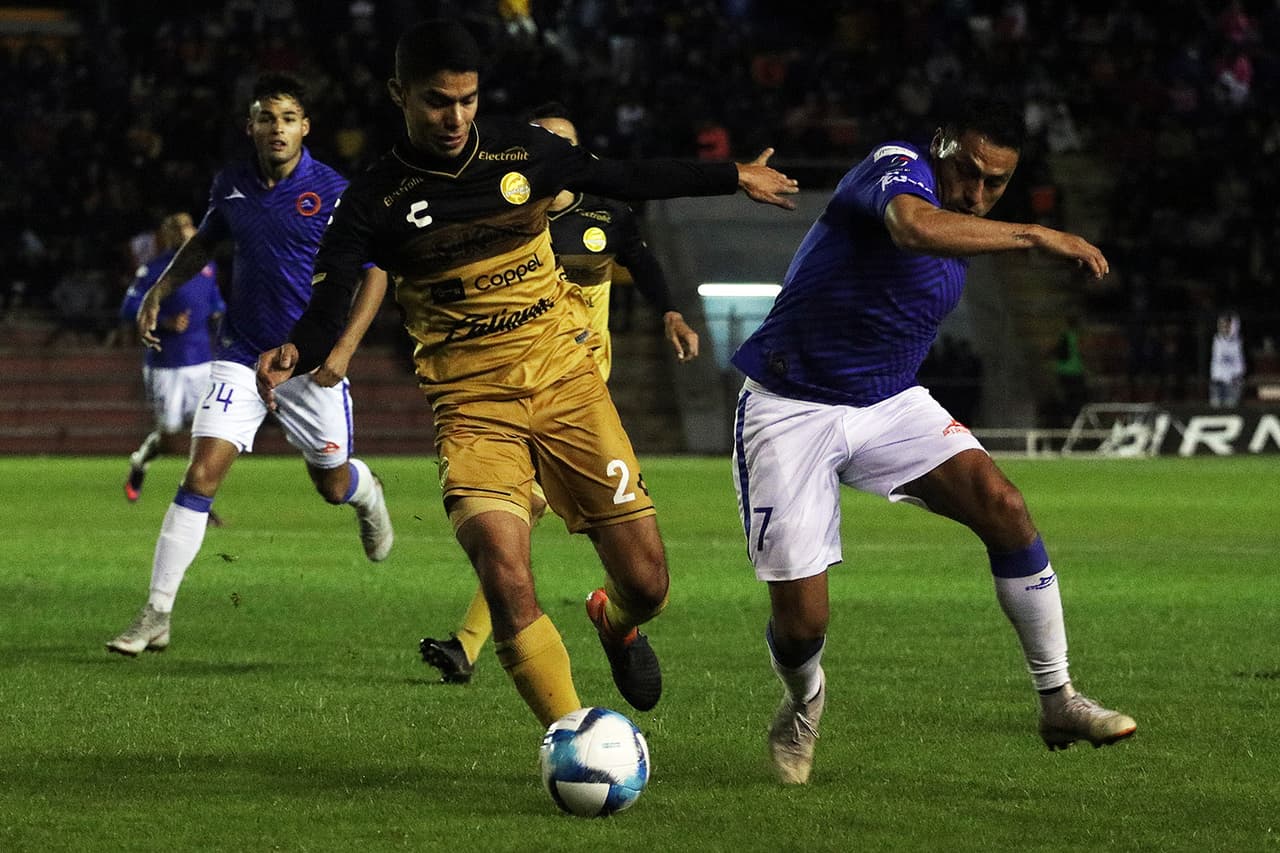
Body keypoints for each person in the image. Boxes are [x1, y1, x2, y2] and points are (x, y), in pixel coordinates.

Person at [257, 19, 798, 727]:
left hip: (567, 383)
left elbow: (624, 174)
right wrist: (297, 347)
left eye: (467, 100)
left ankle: (613, 618)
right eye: (435, 102)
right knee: (506, 573)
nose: (454, 118)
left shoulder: (523, 152)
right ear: (400, 95)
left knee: (649, 582)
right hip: (472, 404)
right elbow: (331, 293)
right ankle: (572, 736)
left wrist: (733, 176)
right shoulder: (375, 199)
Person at [729, 96, 1136, 785]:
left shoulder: (965, 227)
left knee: (1003, 505)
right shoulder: (895, 166)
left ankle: (1058, 697)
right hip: (790, 406)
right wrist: (1037, 235)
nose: (977, 193)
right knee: (802, 623)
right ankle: (802, 701)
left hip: (888, 403)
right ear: (942, 145)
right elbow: (912, 228)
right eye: (969, 172)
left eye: (996, 183)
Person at [107, 73, 394, 657]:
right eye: (267, 117)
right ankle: (157, 613)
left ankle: (367, 493)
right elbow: (205, 242)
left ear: (305, 127)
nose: (277, 128)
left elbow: (376, 272)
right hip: (240, 353)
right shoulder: (232, 184)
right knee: (200, 476)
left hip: (309, 362)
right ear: (252, 127)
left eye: (288, 117)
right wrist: (161, 291)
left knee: (331, 485)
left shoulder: (333, 190)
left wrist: (340, 352)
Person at [417, 103, 702, 685]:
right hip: (506, 386)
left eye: (560, 141)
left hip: (576, 385)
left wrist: (671, 312)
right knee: (516, 514)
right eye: (539, 137)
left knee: (601, 550)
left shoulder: (607, 214)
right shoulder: (506, 216)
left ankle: (610, 616)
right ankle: (470, 646)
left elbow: (642, 262)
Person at [119, 212, 226, 519]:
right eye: (175, 227)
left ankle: (198, 500)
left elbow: (216, 303)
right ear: (165, 236)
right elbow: (128, 309)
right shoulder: (153, 270)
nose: (183, 231)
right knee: (169, 436)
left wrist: (223, 317)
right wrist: (164, 322)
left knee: (205, 432)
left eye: (187, 225)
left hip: (201, 362)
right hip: (166, 364)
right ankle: (140, 461)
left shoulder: (207, 266)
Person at [1208, 311, 1245, 408]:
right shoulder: (1216, 340)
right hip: (1218, 381)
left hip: (1233, 381)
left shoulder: (1238, 341)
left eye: (1227, 325)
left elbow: (1241, 362)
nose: (1224, 328)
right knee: (1215, 407)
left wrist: (1238, 375)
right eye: (1222, 325)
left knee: (1231, 407)